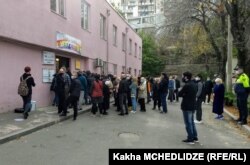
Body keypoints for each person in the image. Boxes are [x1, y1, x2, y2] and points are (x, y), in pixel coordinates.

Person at [178, 71, 198, 144]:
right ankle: (195, 137)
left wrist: (183, 94)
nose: (182, 77)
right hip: (192, 105)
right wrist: (185, 94)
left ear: (186, 77)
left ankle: (190, 139)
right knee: (192, 122)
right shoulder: (194, 84)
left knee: (188, 123)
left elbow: (179, 94)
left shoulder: (187, 85)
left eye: (182, 76)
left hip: (187, 106)